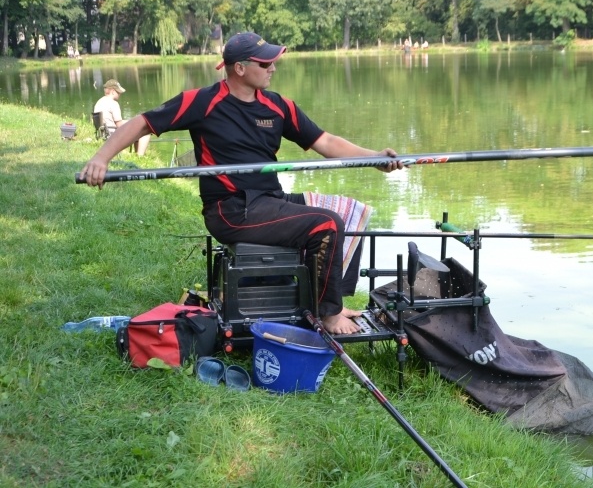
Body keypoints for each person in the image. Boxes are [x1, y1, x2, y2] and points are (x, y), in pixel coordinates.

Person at [80, 32, 404, 334]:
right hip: (230, 210)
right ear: (239, 68)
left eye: (272, 61)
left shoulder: (278, 105)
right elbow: (142, 123)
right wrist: (100, 159)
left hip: (269, 199)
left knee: (346, 210)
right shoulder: (202, 101)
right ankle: (328, 314)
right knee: (327, 224)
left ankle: (328, 300)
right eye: (265, 63)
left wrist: (374, 158)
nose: (272, 67)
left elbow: (326, 141)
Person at [93, 79, 149, 156]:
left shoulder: (99, 102)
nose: (120, 94)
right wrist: (132, 122)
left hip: (104, 133)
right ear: (112, 91)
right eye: (118, 92)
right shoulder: (113, 104)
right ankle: (140, 156)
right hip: (113, 135)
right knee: (145, 130)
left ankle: (137, 155)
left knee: (137, 127)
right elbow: (119, 125)